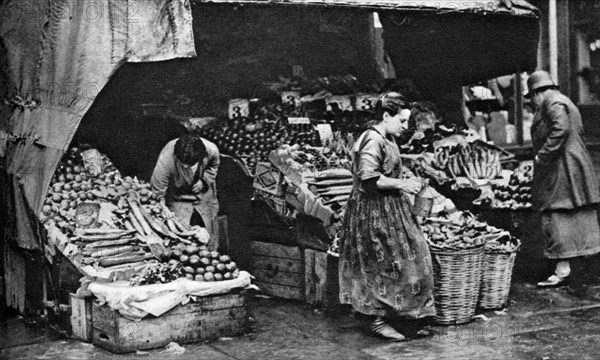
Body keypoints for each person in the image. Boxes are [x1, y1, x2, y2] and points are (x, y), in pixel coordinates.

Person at [338, 92, 435, 341]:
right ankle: (375, 320)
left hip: (390, 208)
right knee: (379, 265)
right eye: (401, 121)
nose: (404, 126)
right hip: (373, 211)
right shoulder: (372, 138)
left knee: (413, 256)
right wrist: (401, 184)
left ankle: (405, 317)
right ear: (385, 116)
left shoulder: (387, 137)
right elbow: (368, 176)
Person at [525, 70, 600, 290]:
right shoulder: (562, 100)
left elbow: (560, 129)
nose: (533, 103)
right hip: (570, 164)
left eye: (532, 97)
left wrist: (542, 155)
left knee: (556, 210)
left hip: (562, 166)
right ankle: (573, 263)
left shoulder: (552, 102)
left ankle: (563, 267)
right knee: (575, 211)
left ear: (538, 92)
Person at [151, 133, 220, 249]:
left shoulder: (211, 150)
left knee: (210, 232)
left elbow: (214, 166)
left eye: (191, 165)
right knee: (179, 235)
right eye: (183, 165)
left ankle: (213, 253)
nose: (187, 167)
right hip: (178, 194)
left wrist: (204, 181)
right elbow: (157, 191)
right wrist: (162, 207)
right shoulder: (167, 158)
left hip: (203, 193)